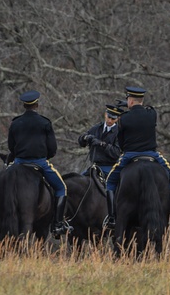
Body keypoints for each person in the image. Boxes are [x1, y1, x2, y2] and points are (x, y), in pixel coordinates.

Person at [104, 85, 170, 228]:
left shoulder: (123, 119)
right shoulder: (151, 114)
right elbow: (147, 110)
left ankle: (112, 217)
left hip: (130, 155)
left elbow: (121, 142)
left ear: (130, 102)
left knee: (110, 182)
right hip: (152, 154)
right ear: (141, 100)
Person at [7, 90, 72, 238]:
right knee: (61, 188)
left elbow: (11, 147)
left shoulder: (16, 123)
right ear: (37, 104)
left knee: (2, 182)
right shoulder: (45, 122)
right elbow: (52, 149)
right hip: (39, 162)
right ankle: (57, 224)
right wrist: (44, 156)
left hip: (19, 163)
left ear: (24, 105)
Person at [78, 102, 122, 178]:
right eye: (109, 117)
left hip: (109, 167)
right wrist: (85, 138)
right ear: (105, 114)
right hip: (94, 166)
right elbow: (81, 141)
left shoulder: (119, 133)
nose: (110, 120)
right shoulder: (97, 128)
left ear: (117, 119)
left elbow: (116, 153)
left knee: (110, 186)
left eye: (113, 119)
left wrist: (102, 144)